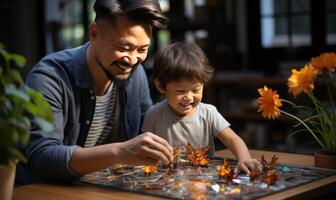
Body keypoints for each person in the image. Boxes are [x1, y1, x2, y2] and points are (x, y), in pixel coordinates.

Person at [16, 0, 173, 185]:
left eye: (142, 49)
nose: (132, 59)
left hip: (103, 188)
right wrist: (119, 152)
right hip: (46, 191)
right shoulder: (50, 77)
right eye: (123, 48)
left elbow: (146, 126)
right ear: (94, 33)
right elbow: (42, 158)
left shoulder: (135, 73)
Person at [142, 42, 262, 174]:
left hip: (204, 179)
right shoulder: (154, 114)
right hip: (166, 179)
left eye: (195, 90)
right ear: (160, 86)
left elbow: (232, 139)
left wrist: (244, 158)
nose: (189, 97)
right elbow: (145, 148)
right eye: (181, 91)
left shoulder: (208, 113)